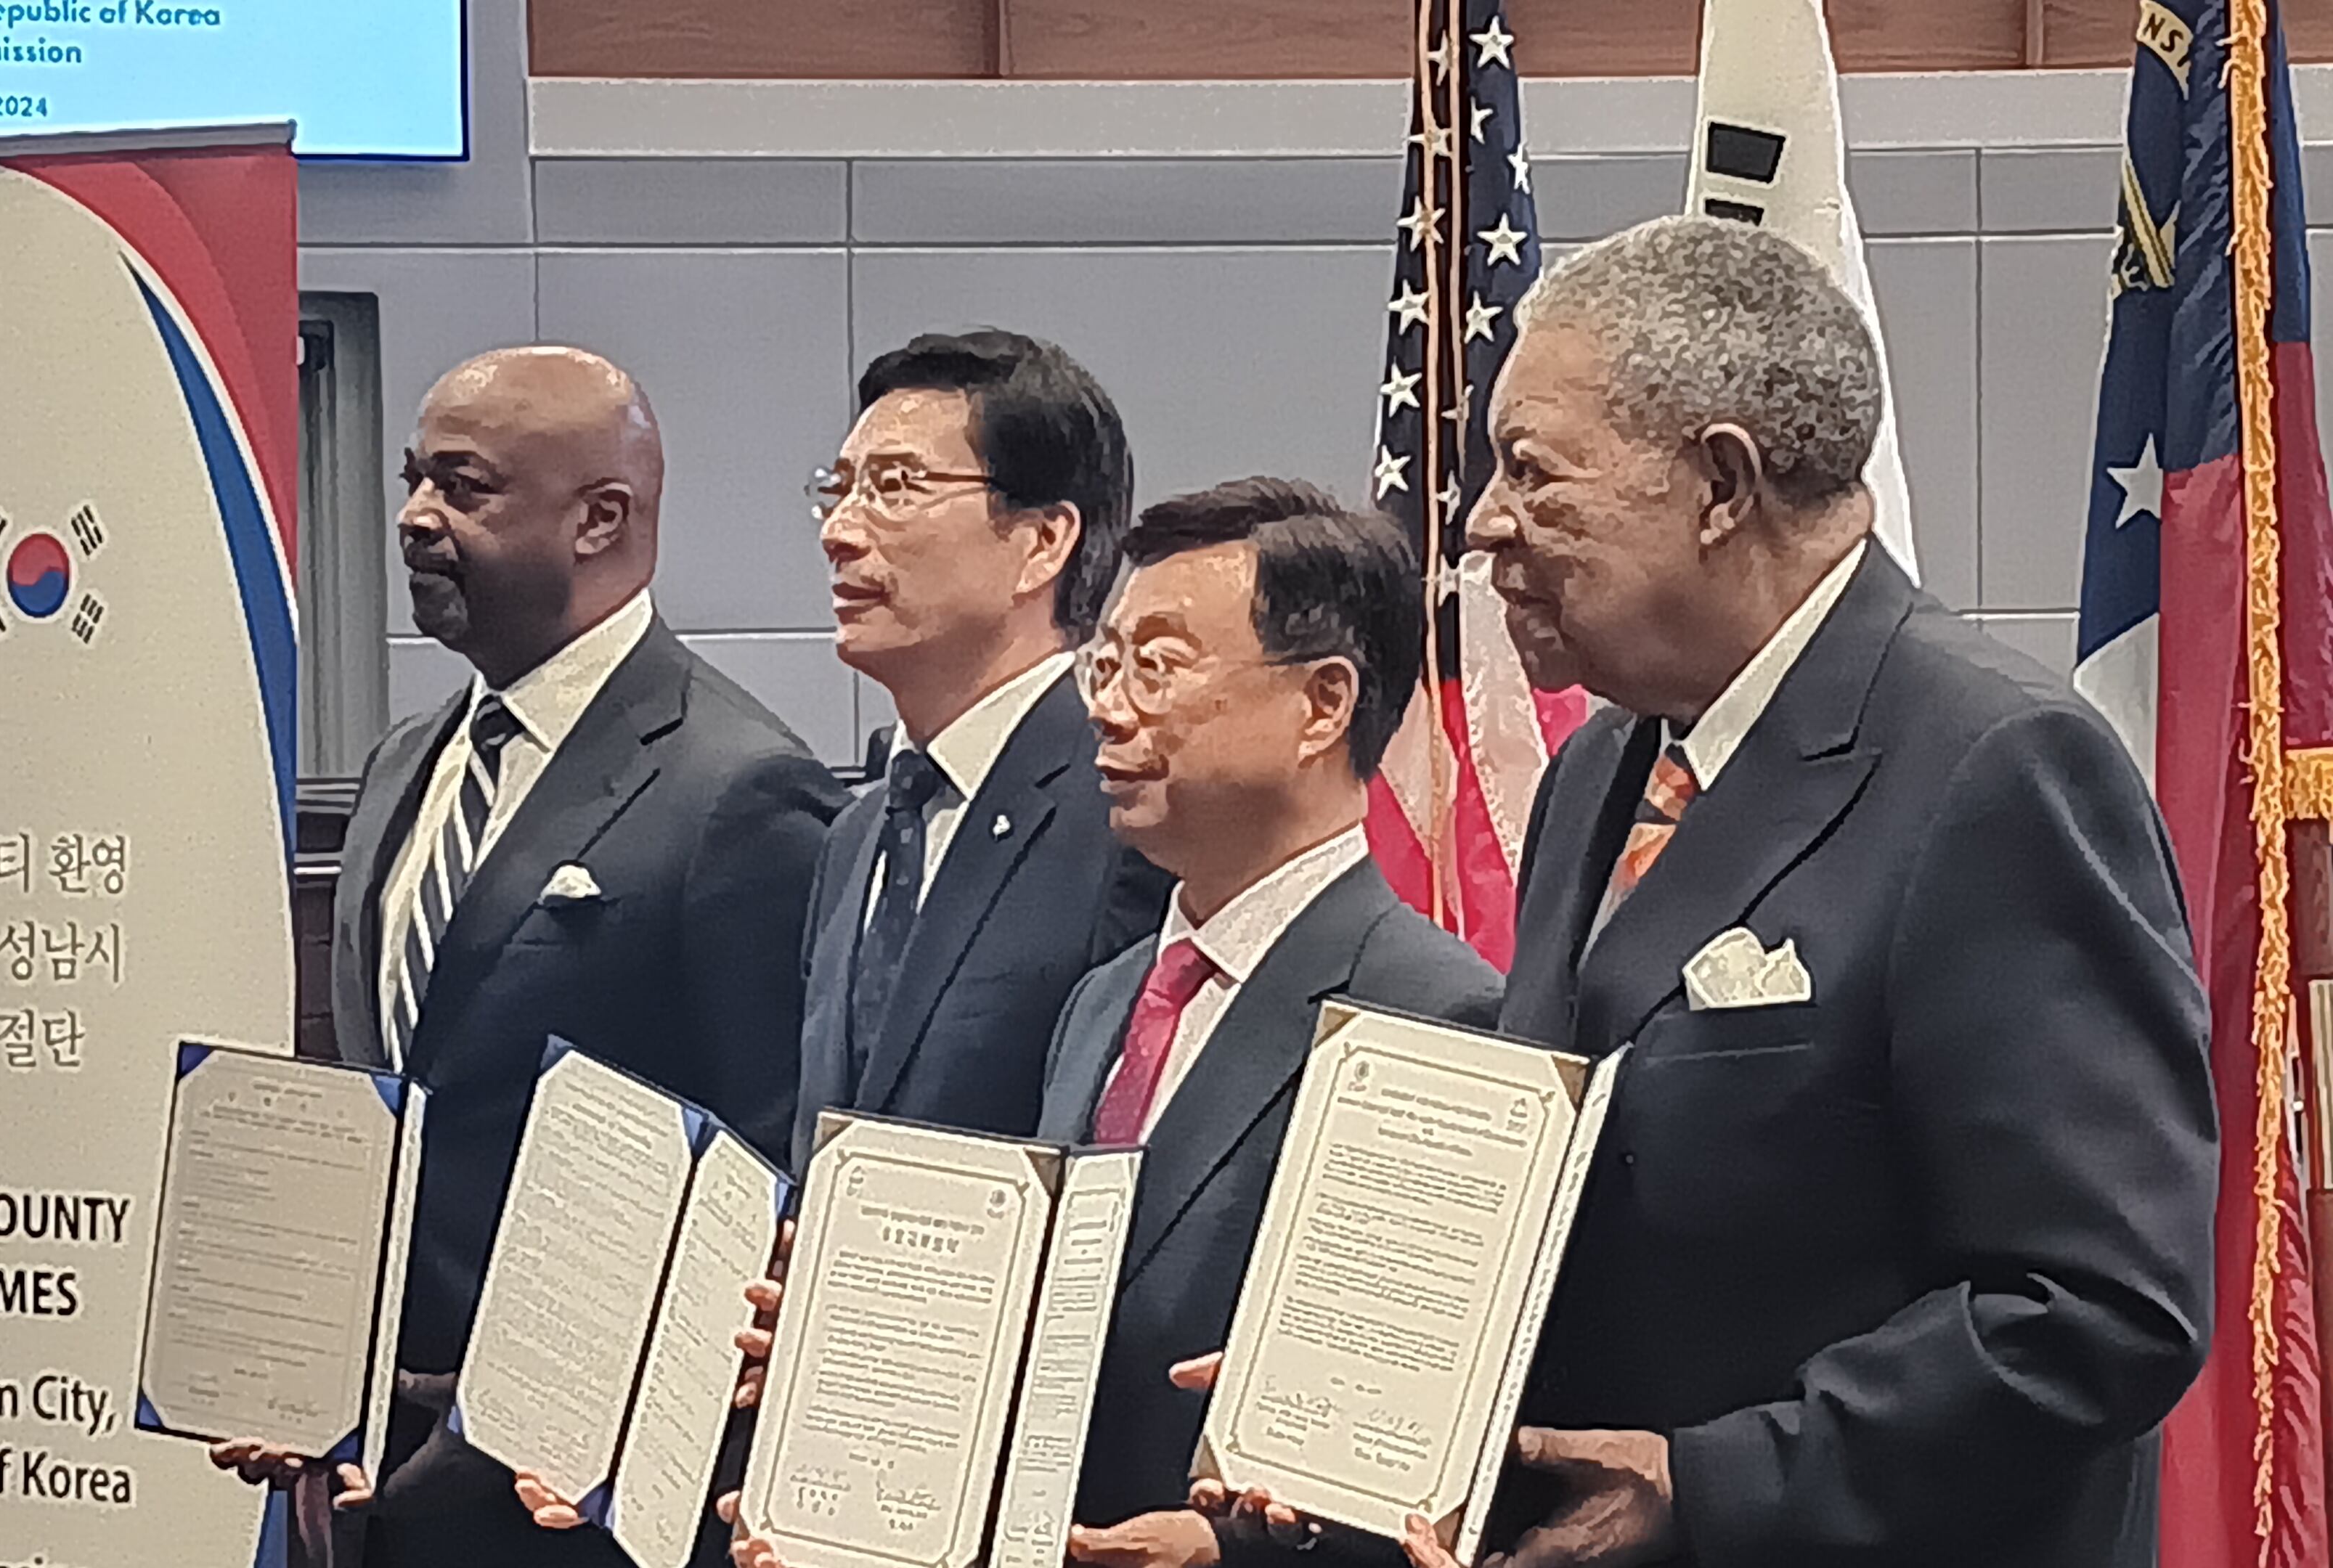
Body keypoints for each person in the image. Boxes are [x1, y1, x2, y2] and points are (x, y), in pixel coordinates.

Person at [1221, 216, 2218, 1568]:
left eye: (1531, 471)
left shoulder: (1998, 769)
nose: (1482, 522)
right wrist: (1368, 1377)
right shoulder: (1602, 767)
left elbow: (2100, 1304)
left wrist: (1716, 1481)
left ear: (1721, 485)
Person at [704, 479, 1502, 1568]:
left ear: (1323, 704)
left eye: (1160, 666)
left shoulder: (1429, 1010)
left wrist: (1232, 1552)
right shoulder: (1108, 996)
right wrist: (854, 1359)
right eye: (1106, 663)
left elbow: (1424, 1435)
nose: (1110, 708)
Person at [213, 346, 846, 1568]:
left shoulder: (739, 790)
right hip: (352, 1474)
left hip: (566, 1501)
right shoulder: (408, 765)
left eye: (464, 486)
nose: (413, 519)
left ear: (600, 518)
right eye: (413, 480)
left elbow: (760, 1171)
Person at [791, 330, 1170, 1167]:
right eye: (840, 490)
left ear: (1041, 541)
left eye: (895, 487)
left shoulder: (1129, 803)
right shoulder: (859, 836)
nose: (841, 533)